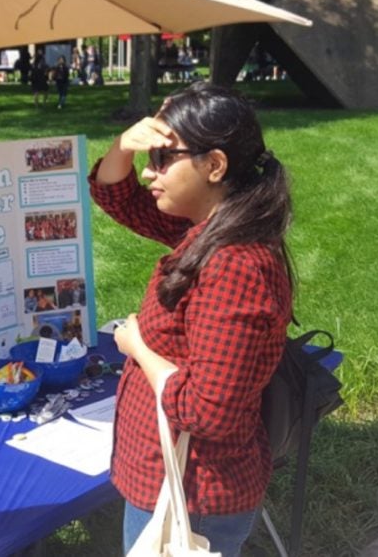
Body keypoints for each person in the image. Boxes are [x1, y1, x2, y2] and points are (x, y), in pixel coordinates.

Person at [90, 82, 293, 557]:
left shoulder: (235, 264)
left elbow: (208, 411)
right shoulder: (209, 227)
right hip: (171, 478)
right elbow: (117, 196)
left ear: (215, 165)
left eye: (163, 159)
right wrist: (124, 141)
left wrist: (139, 345)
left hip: (192, 492)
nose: (148, 171)